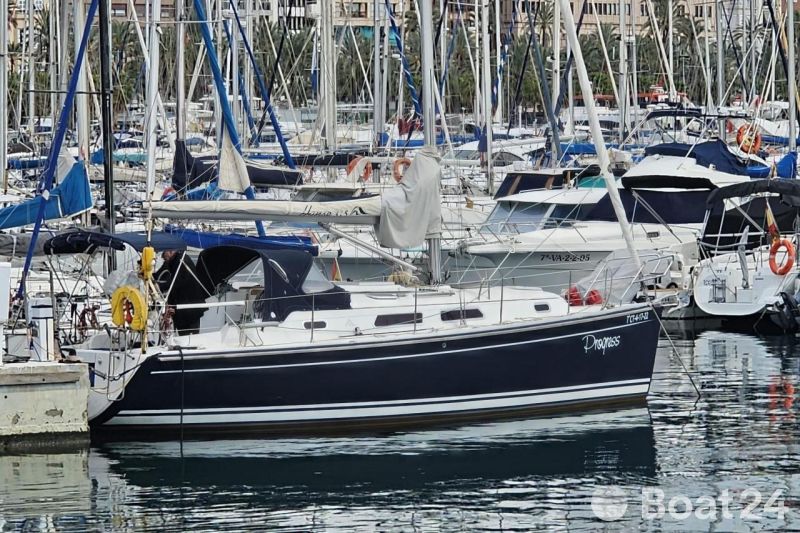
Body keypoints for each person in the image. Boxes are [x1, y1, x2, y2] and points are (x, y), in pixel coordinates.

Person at [154, 250, 207, 335]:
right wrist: (150, 278)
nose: (162, 256)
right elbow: (160, 273)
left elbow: (177, 281)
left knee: (190, 335)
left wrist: (159, 286)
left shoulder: (182, 260)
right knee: (183, 333)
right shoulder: (171, 260)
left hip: (190, 307)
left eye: (164, 253)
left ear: (171, 251)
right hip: (181, 308)